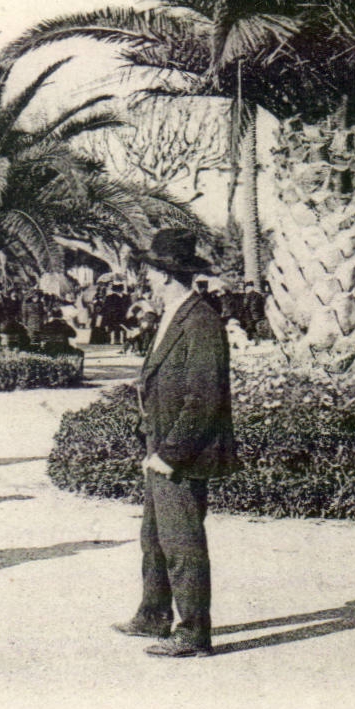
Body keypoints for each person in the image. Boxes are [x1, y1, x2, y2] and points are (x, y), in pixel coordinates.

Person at [113, 228, 233, 659]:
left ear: (163, 274)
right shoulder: (175, 314)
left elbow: (204, 398)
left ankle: (194, 632)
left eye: (148, 269)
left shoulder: (201, 321)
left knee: (182, 544)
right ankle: (153, 614)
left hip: (180, 454)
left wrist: (170, 454)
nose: (144, 276)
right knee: (154, 538)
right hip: (159, 446)